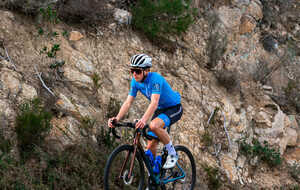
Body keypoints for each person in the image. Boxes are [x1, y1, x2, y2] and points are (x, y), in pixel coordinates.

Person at [108, 53, 183, 169]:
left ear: (146, 71)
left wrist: (143, 120)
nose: (134, 74)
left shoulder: (155, 79)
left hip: (174, 108)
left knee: (153, 125)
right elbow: (128, 102)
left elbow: (154, 102)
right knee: (151, 145)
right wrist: (117, 118)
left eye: (137, 71)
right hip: (160, 110)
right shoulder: (135, 82)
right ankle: (154, 177)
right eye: (132, 70)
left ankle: (173, 154)